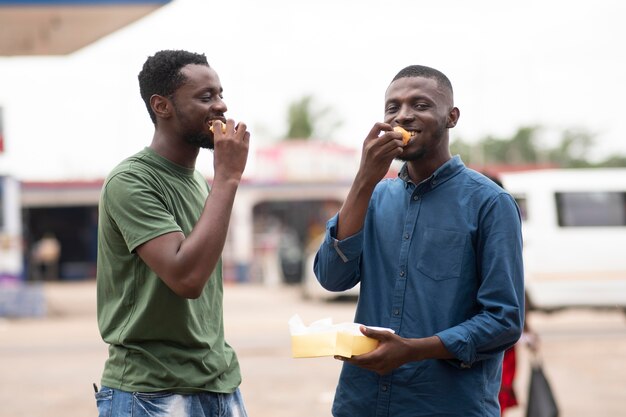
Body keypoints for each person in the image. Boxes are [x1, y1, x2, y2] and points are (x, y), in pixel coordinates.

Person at [313, 65, 525, 416]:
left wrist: (414, 349)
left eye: (421, 105)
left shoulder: (489, 203)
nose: (404, 116)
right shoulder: (375, 197)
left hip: (447, 405)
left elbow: (504, 320)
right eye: (392, 108)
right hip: (361, 403)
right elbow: (332, 278)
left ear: (452, 117)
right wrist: (364, 179)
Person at [95, 50, 250, 417]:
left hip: (218, 383)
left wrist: (220, 181)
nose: (221, 106)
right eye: (205, 97)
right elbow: (187, 278)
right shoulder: (131, 181)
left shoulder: (199, 183)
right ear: (162, 106)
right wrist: (227, 178)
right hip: (151, 393)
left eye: (220, 93)